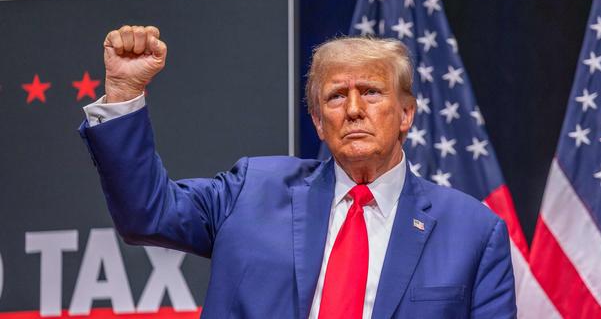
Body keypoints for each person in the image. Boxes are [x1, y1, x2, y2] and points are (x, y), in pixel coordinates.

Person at [79, 25, 516, 318]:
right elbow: (146, 214)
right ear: (317, 121)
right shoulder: (251, 191)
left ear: (406, 114)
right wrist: (124, 92)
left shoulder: (473, 232)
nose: (355, 110)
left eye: (371, 92)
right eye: (336, 97)